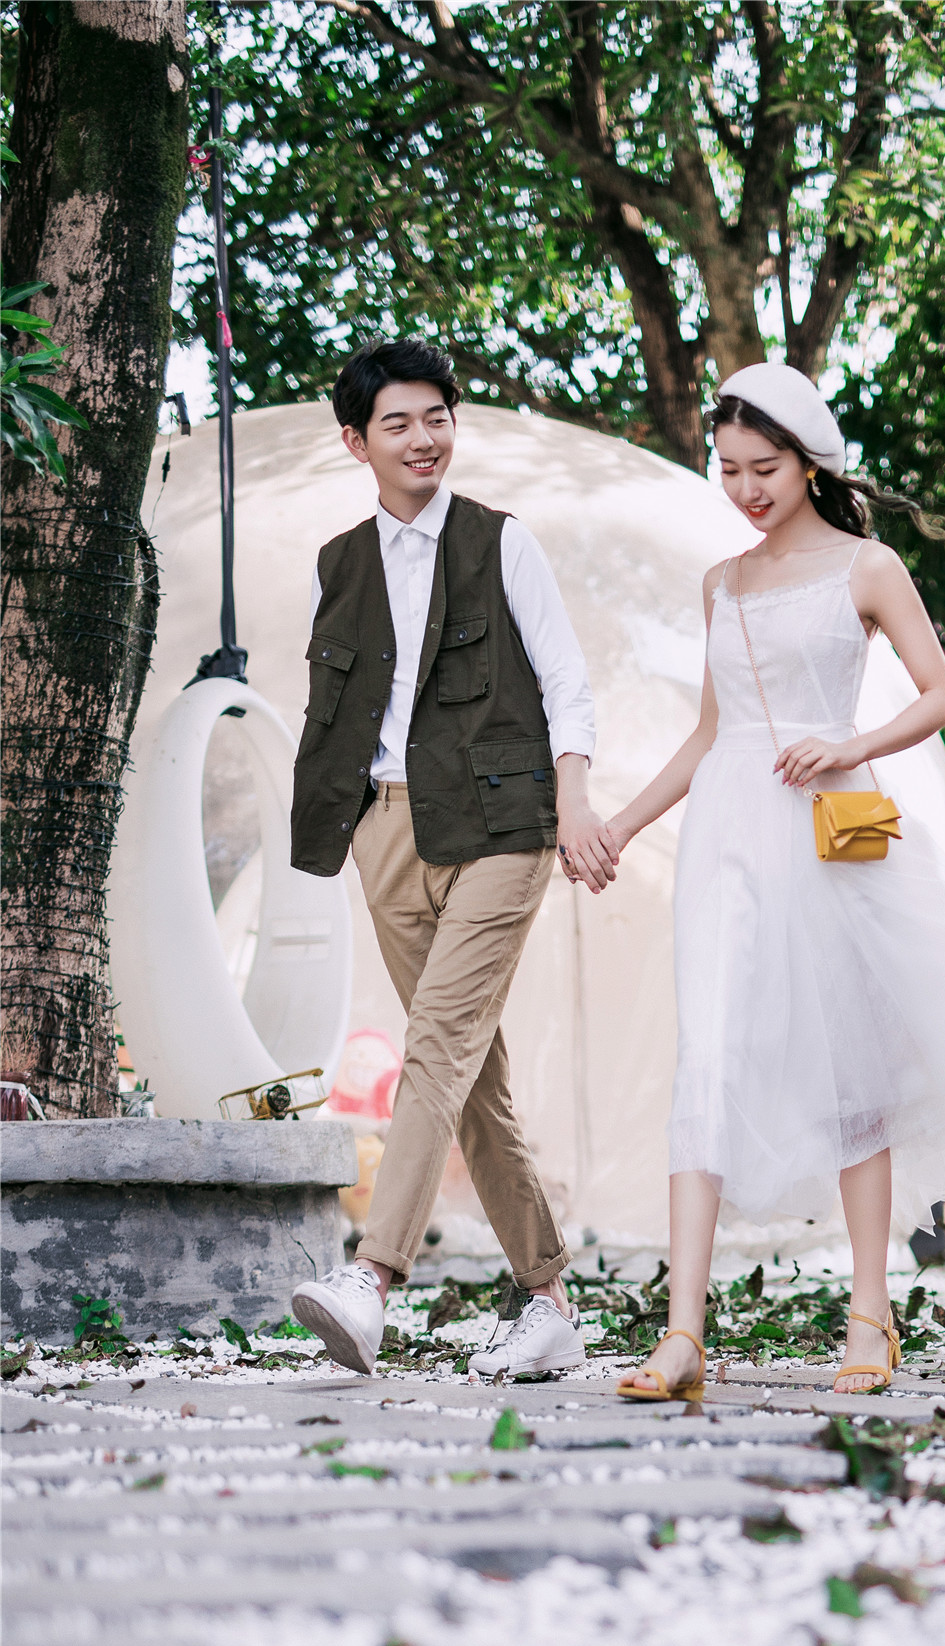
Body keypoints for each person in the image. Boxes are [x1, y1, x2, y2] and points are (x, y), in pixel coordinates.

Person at [589, 361, 945, 1401]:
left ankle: (870, 1314)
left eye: (764, 468)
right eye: (729, 468)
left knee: (851, 1069)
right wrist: (620, 825)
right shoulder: (720, 584)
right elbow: (709, 734)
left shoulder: (868, 567)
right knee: (708, 1059)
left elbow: (941, 694)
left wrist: (849, 742)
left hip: (828, 832)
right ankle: (682, 1335)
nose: (745, 488)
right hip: (725, 837)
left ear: (810, 462)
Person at [287, 336, 617, 1377]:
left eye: (437, 417)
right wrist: (342, 827)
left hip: (504, 827)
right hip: (386, 833)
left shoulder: (500, 542)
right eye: (398, 422)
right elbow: (337, 712)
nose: (423, 437)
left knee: (434, 1046)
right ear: (358, 442)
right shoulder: (337, 564)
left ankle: (371, 1277)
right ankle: (548, 1302)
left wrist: (574, 802)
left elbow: (565, 682)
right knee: (470, 1079)